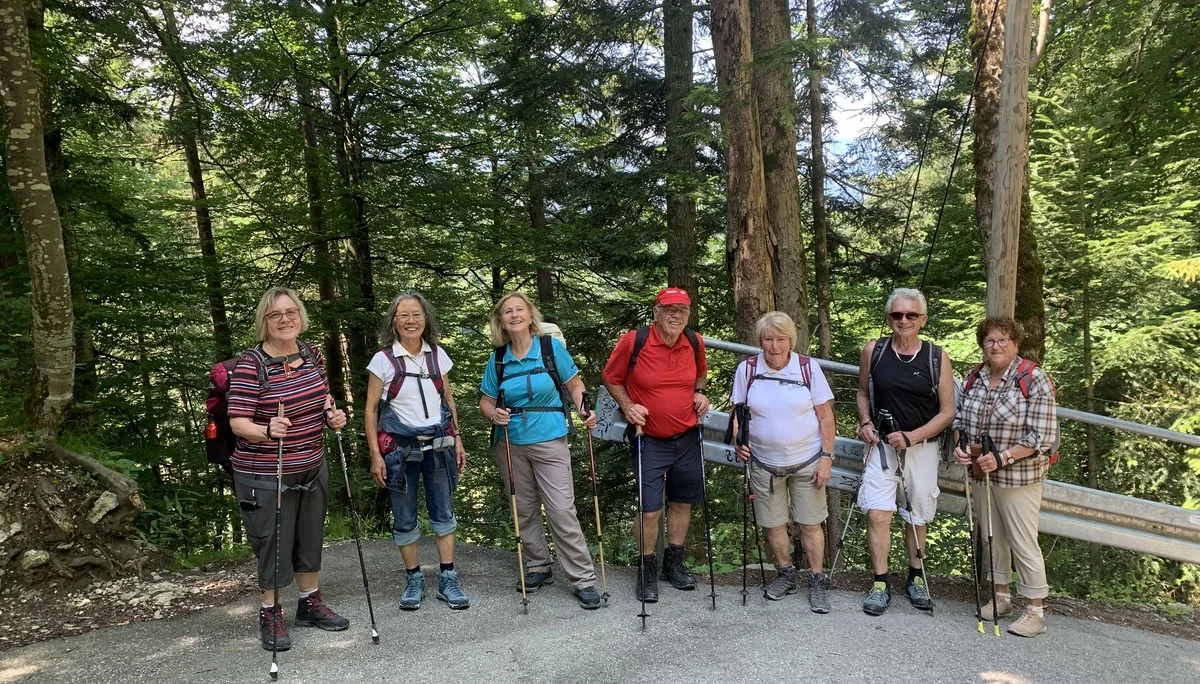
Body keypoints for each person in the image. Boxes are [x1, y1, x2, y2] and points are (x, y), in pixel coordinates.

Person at [227, 287, 349, 651]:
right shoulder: (251, 364)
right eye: (276, 314)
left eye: (291, 312)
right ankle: (271, 612)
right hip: (266, 472)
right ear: (264, 321)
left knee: (309, 537)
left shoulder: (311, 353)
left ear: (301, 316)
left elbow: (322, 399)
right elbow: (237, 422)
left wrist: (332, 416)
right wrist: (267, 429)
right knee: (273, 542)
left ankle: (310, 603)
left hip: (311, 464)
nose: (285, 320)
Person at [479, 291, 603, 610]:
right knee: (523, 508)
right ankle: (538, 566)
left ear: (530, 315)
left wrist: (583, 409)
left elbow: (575, 385)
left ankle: (583, 579)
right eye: (508, 311)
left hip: (549, 439)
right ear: (501, 322)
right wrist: (494, 414)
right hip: (510, 443)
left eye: (520, 309)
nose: (514, 315)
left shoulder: (550, 348)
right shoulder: (497, 360)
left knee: (561, 509)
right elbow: (486, 401)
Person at [601, 286, 709, 602]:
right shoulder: (634, 341)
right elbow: (611, 377)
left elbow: (701, 375)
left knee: (682, 502)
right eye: (670, 309)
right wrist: (627, 405)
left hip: (686, 437)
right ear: (656, 312)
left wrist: (700, 394)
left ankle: (673, 564)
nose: (676, 315)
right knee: (650, 509)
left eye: (682, 310)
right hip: (647, 437)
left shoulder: (694, 342)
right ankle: (646, 567)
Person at [953, 316, 1058, 638]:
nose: (996, 346)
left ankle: (1036, 611)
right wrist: (960, 445)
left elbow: (1042, 435)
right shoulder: (975, 377)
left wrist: (1003, 457)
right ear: (982, 344)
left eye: (1003, 340)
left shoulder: (1033, 378)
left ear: (1015, 343)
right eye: (989, 340)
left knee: (1023, 541)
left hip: (1019, 477)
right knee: (992, 538)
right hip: (982, 473)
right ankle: (1001, 597)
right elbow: (960, 419)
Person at [365, 291, 470, 611]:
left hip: (438, 448)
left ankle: (448, 578)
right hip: (399, 451)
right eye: (404, 315)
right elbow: (370, 410)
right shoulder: (383, 360)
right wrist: (375, 455)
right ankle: (414, 578)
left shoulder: (437, 356)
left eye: (416, 315)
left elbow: (447, 400)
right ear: (394, 321)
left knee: (443, 514)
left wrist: (458, 439)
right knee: (404, 517)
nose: (411, 321)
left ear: (426, 319)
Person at [855, 288, 955, 615]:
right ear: (889, 318)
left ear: (923, 319)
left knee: (917, 516)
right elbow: (862, 393)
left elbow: (947, 411)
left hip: (921, 449)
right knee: (877, 513)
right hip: (882, 447)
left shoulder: (936, 357)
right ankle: (880, 582)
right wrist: (865, 422)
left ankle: (916, 577)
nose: (904, 320)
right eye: (897, 314)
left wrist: (912, 437)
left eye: (911, 315)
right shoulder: (874, 350)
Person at [731, 312, 836, 612]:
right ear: (760, 341)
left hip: (807, 460)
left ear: (791, 340)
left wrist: (826, 458)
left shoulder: (807, 368)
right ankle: (786, 573)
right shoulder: (748, 369)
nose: (774, 346)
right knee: (773, 524)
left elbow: (826, 417)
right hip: (764, 462)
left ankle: (817, 579)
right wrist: (739, 440)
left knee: (810, 523)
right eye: (768, 339)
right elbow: (737, 412)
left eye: (781, 339)